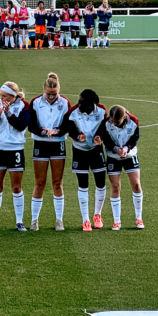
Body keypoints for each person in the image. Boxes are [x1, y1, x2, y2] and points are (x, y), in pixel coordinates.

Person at [28, 72, 71, 231]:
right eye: (48, 94)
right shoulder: (35, 102)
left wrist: (58, 131)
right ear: (43, 90)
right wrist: (42, 131)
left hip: (58, 144)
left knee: (57, 183)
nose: (51, 97)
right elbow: (31, 125)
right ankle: (34, 220)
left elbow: (68, 124)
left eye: (54, 94)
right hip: (41, 143)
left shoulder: (65, 102)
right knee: (39, 183)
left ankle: (59, 220)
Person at [61, 89, 107, 230]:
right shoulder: (73, 112)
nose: (78, 104)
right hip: (80, 151)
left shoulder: (102, 111)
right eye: (79, 101)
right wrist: (76, 135)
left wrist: (99, 136)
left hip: (96, 150)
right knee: (83, 184)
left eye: (81, 102)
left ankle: (97, 215)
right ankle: (85, 219)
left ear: (91, 104)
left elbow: (105, 127)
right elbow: (66, 127)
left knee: (100, 183)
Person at [0, 82, 30, 232]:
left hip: (16, 149)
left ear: (13, 96)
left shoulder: (24, 105)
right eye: (0, 95)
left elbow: (22, 125)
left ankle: (19, 221)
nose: (1, 98)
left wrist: (9, 114)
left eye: (4, 96)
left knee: (16, 188)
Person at [98, 105, 143, 230]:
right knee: (115, 187)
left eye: (117, 122)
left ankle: (139, 218)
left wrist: (127, 148)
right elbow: (106, 139)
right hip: (113, 156)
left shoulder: (133, 120)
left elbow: (135, 137)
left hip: (130, 155)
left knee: (136, 185)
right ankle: (117, 221)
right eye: (113, 121)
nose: (115, 124)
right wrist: (116, 149)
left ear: (125, 116)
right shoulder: (106, 123)